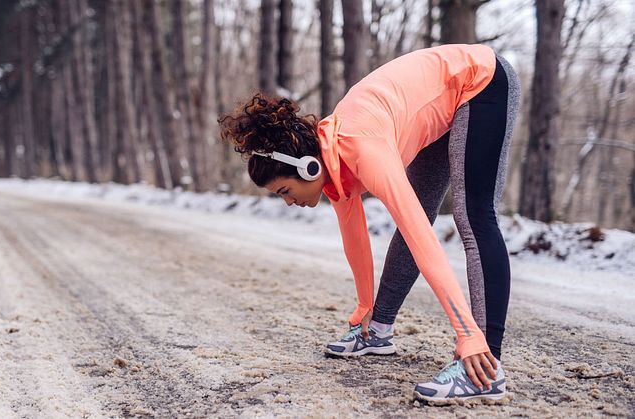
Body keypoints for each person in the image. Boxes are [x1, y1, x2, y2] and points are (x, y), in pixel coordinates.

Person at [218, 43, 520, 403]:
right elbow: (355, 240)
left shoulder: (363, 148)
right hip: (444, 105)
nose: (288, 201)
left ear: (308, 167)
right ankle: (377, 331)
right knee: (416, 213)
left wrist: (466, 333)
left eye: (284, 190)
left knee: (473, 217)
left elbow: (423, 239)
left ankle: (486, 367)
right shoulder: (332, 161)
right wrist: (364, 307)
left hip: (481, 82)